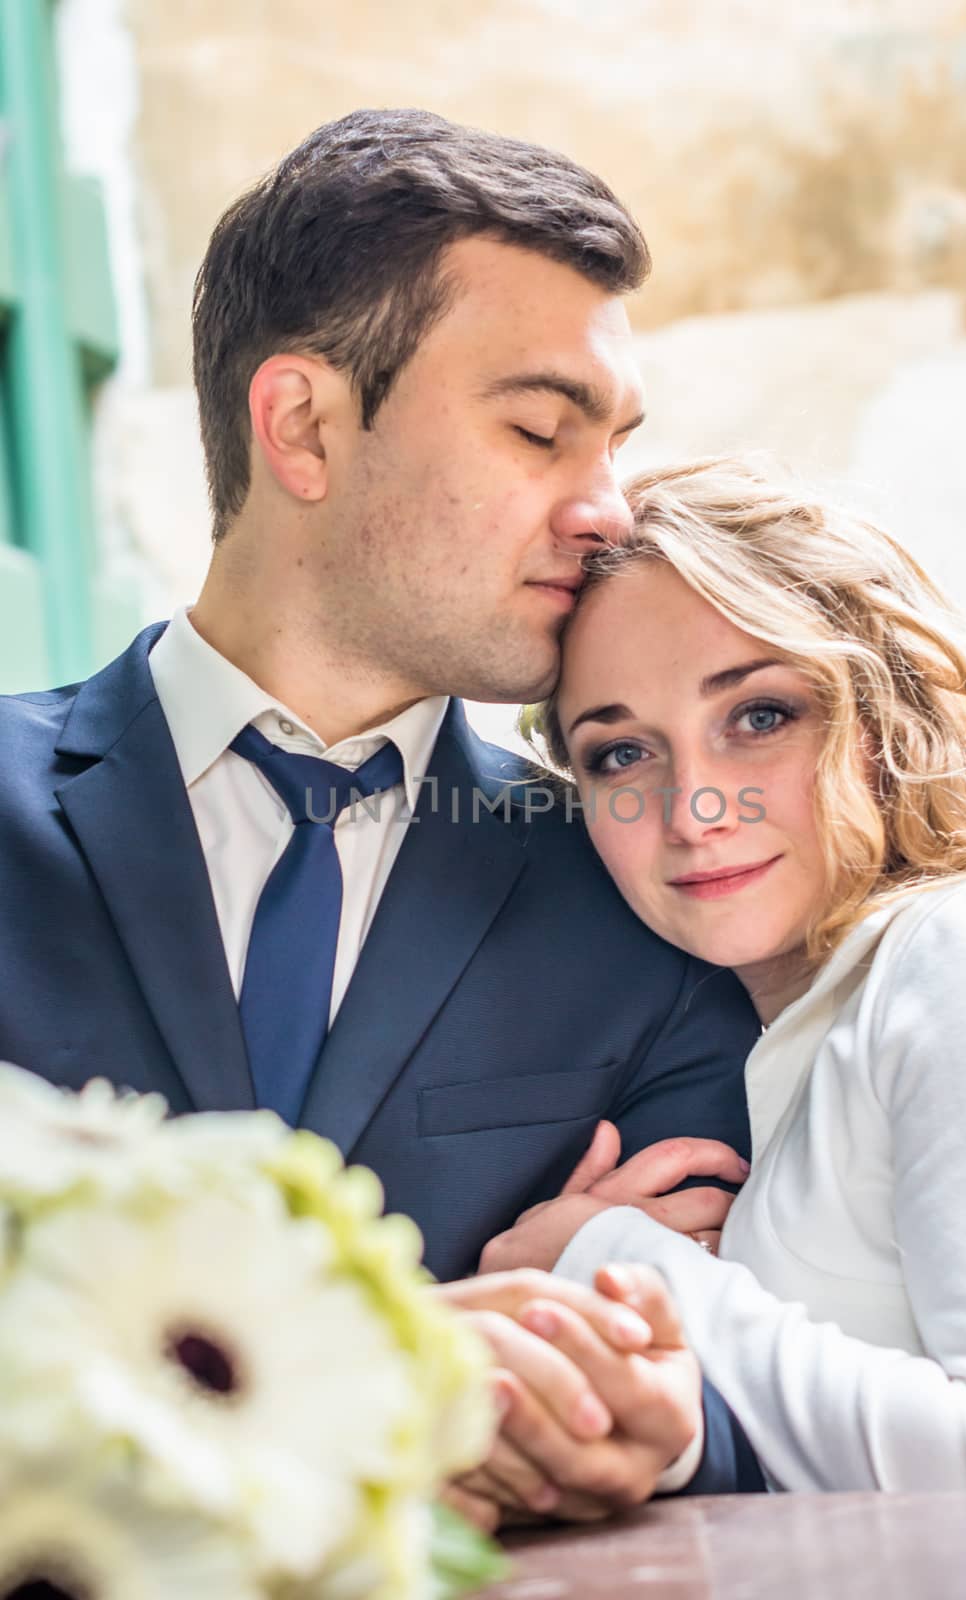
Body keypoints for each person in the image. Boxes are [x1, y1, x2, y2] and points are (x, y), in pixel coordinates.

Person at [0, 111, 763, 1525]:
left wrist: (656, 1414)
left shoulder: (653, 886)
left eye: (615, 444)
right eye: (541, 429)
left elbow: (737, 1392)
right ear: (301, 424)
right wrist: (414, 1356)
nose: (608, 509)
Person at [483, 455, 966, 1491]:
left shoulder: (965, 950)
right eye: (620, 753)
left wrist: (601, 1258)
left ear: (882, 722)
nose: (694, 810)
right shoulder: (794, 1037)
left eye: (756, 716)